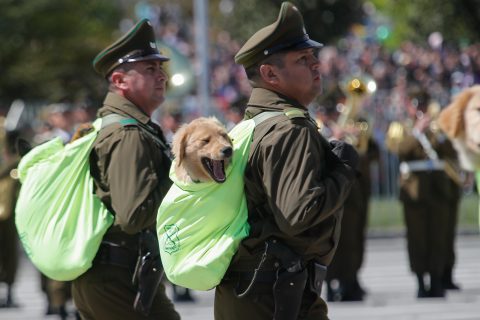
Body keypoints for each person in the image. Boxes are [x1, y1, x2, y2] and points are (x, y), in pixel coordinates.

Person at [214, 3, 358, 319]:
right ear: (269, 73)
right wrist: (343, 172)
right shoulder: (290, 128)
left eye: (313, 57)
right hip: (276, 294)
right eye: (302, 59)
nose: (316, 65)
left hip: (257, 290)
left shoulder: (250, 125)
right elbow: (300, 215)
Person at [71, 19, 180, 320]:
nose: (162, 77)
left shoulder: (119, 126)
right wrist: (182, 176)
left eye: (161, 69)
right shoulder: (128, 135)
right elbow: (133, 216)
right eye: (149, 70)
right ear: (119, 80)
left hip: (117, 275)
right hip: (120, 278)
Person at [386, 87, 461, 298]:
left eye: (423, 104)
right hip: (414, 191)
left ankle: (437, 281)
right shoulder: (401, 127)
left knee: (438, 236)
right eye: (415, 104)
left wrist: (440, 133)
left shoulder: (438, 127)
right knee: (417, 238)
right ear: (409, 106)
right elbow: (400, 151)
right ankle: (420, 281)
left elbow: (451, 151)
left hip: (438, 190)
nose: (420, 109)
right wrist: (417, 132)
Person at [316, 87, 379, 302]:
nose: (337, 115)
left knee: (354, 239)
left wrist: (360, 138)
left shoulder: (352, 124)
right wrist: (335, 138)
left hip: (354, 194)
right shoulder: (317, 130)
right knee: (333, 241)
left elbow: (371, 154)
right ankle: (332, 285)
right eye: (333, 111)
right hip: (332, 194)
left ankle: (351, 280)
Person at [0, 128, 22, 308]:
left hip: (9, 215)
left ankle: (9, 293)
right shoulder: (10, 165)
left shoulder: (15, 164)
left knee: (10, 256)